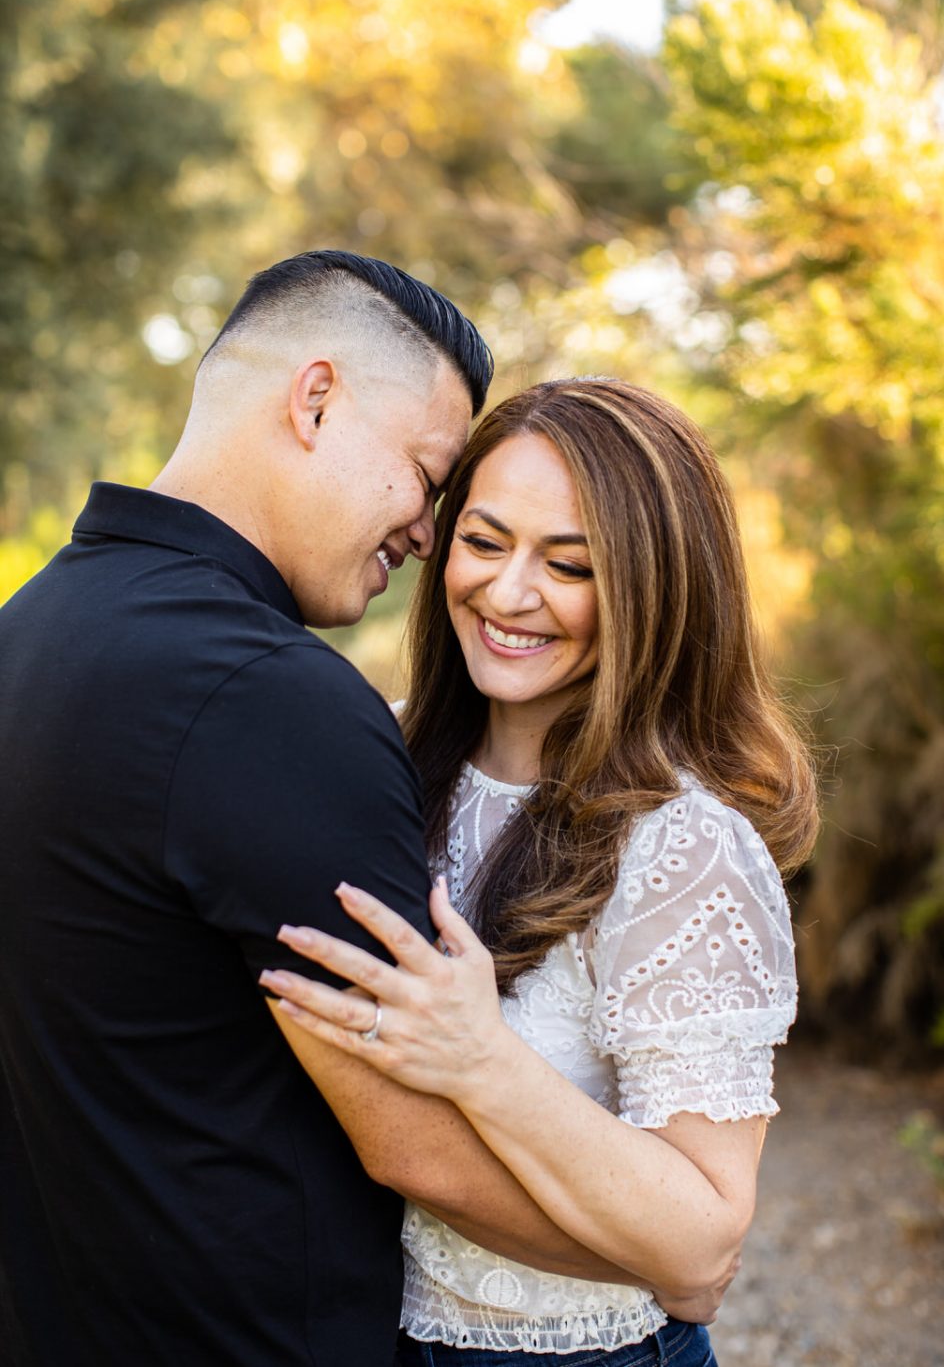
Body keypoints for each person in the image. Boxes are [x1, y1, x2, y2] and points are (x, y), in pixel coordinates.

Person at [1, 251, 628, 1367]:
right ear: (317, 398)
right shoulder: (272, 699)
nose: (429, 534)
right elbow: (415, 1148)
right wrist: (657, 1267)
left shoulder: (28, 629)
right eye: (426, 476)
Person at [260, 378, 820, 1366]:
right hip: (355, 1332)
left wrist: (483, 1060)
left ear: (654, 588)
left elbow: (701, 1237)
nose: (509, 593)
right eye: (483, 543)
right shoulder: (373, 758)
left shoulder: (686, 848)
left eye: (569, 565)